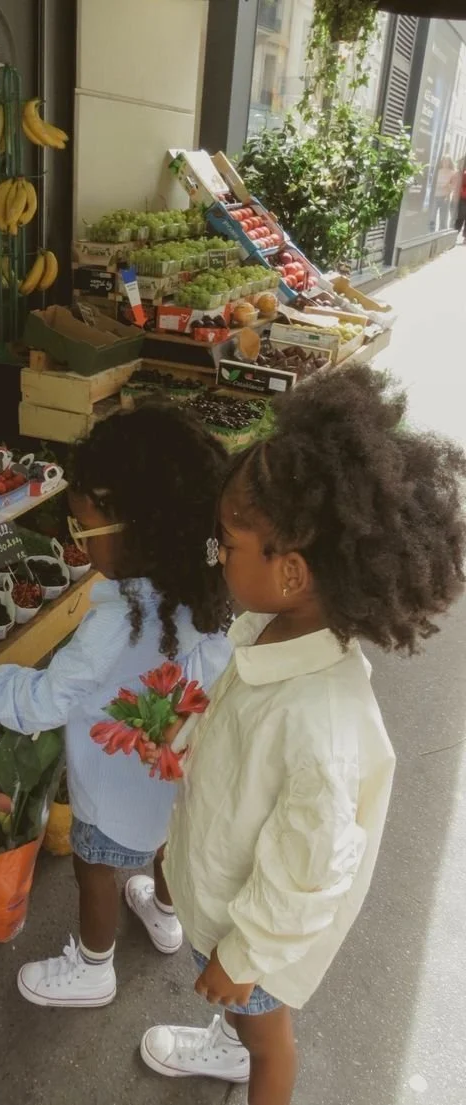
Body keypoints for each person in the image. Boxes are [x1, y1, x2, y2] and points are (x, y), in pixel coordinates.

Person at [140, 366, 466, 1104]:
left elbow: (308, 872)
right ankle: (229, 1042)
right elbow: (236, 741)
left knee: (269, 1038)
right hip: (226, 884)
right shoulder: (268, 628)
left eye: (227, 544)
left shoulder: (322, 725)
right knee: (242, 1016)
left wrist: (246, 954)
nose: (217, 555)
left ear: (289, 571)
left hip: (257, 932)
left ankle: (249, 1062)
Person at [0, 403, 233, 1009]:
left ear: (134, 531)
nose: (74, 542)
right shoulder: (202, 587)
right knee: (169, 844)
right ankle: (167, 915)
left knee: (95, 865)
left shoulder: (111, 628)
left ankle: (94, 966)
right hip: (177, 777)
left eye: (80, 532)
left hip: (112, 789)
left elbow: (44, 702)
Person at [455, 158, 466, 239]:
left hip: (462, 196)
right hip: (463, 197)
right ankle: (456, 233)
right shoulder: (462, 173)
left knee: (460, 216)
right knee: (460, 216)